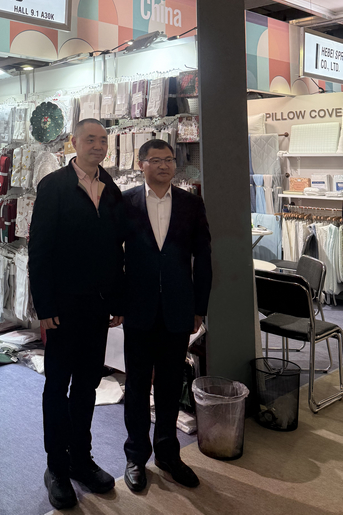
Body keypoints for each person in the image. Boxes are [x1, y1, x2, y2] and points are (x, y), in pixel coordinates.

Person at [28, 118, 125, 511]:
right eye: (90, 139)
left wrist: (117, 300)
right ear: (74, 142)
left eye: (103, 140)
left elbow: (115, 250)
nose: (98, 146)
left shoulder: (111, 188)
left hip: (97, 306)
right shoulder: (54, 186)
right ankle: (56, 466)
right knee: (57, 386)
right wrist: (45, 305)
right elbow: (39, 249)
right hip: (63, 308)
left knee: (87, 385)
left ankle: (81, 459)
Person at [122, 139, 212, 492]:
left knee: (171, 384)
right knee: (137, 385)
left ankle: (168, 454)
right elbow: (113, 255)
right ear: (141, 164)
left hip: (178, 308)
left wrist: (200, 307)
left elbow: (203, 258)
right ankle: (135, 455)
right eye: (156, 160)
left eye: (169, 159)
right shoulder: (125, 202)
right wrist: (116, 302)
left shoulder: (191, 204)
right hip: (138, 309)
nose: (164, 165)